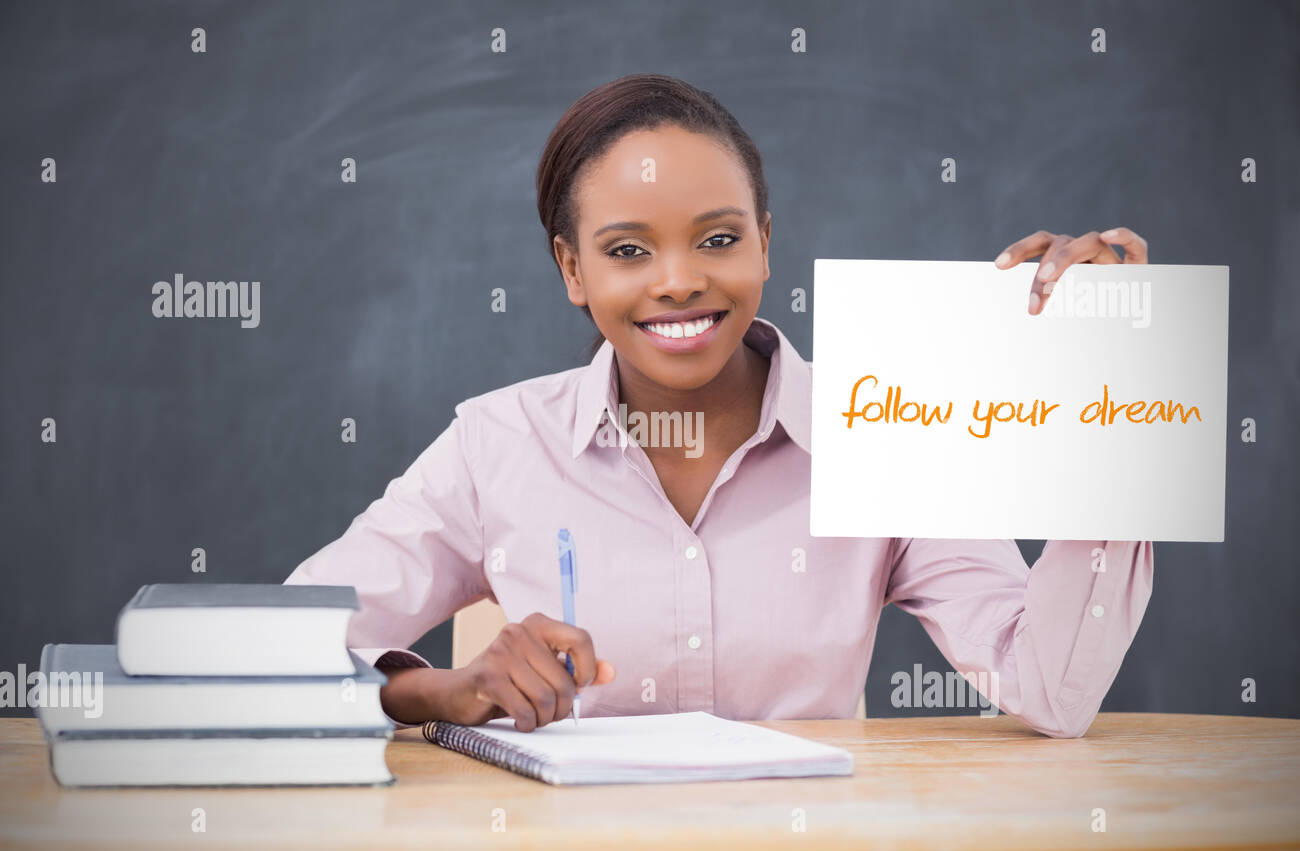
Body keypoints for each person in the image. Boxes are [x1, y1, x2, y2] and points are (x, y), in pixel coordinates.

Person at [285, 73, 1154, 737]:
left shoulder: (883, 429)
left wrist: (1096, 409)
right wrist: (442, 689)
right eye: (628, 249)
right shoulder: (499, 446)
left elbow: (1047, 690)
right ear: (572, 272)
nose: (680, 281)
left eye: (718, 239)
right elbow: (283, 653)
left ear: (766, 244)